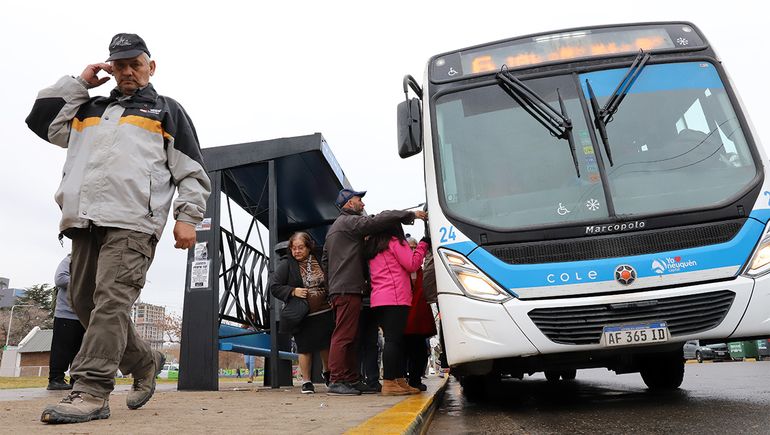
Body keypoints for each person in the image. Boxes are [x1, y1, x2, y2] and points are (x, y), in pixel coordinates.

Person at [27, 33, 211, 424]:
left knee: (110, 301)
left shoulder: (166, 111)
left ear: (151, 67)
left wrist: (187, 217)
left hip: (133, 223)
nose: (127, 71)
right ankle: (145, 361)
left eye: (135, 64)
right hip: (84, 221)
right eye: (119, 64)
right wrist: (80, 84)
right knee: (85, 305)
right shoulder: (88, 109)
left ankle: (91, 391)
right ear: (110, 68)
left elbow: (192, 171)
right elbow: (41, 122)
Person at [322, 189, 427, 396]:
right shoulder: (349, 223)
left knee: (352, 336)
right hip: (348, 288)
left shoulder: (335, 229)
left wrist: (332, 285)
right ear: (348, 203)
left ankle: (351, 379)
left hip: (344, 287)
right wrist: (412, 215)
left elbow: (325, 260)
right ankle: (337, 380)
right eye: (359, 200)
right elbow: (381, 219)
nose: (362, 204)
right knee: (344, 335)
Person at [366, 225, 429, 395]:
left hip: (379, 298)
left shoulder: (374, 246)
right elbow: (412, 264)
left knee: (394, 340)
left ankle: (399, 379)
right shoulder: (395, 242)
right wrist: (423, 245)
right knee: (394, 340)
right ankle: (389, 382)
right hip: (395, 297)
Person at [269, 232, 334, 394]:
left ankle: (327, 373)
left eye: (300, 248)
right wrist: (293, 291)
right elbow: (275, 287)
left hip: (325, 311)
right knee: (304, 348)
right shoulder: (286, 265)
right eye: (294, 248)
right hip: (303, 314)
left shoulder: (320, 259)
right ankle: (306, 381)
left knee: (326, 346)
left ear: (309, 247)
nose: (297, 251)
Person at [47, 254, 86, 391]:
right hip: (66, 313)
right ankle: (55, 379)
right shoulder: (70, 259)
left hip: (85, 315)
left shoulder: (96, 262)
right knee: (61, 349)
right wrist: (84, 282)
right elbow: (60, 279)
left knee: (81, 351)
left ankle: (76, 380)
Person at [403, 237, 437, 392]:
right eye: (410, 247)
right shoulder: (404, 267)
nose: (414, 250)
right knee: (410, 351)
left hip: (419, 316)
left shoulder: (419, 270)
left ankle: (414, 380)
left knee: (420, 352)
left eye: (415, 247)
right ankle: (409, 380)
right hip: (407, 316)